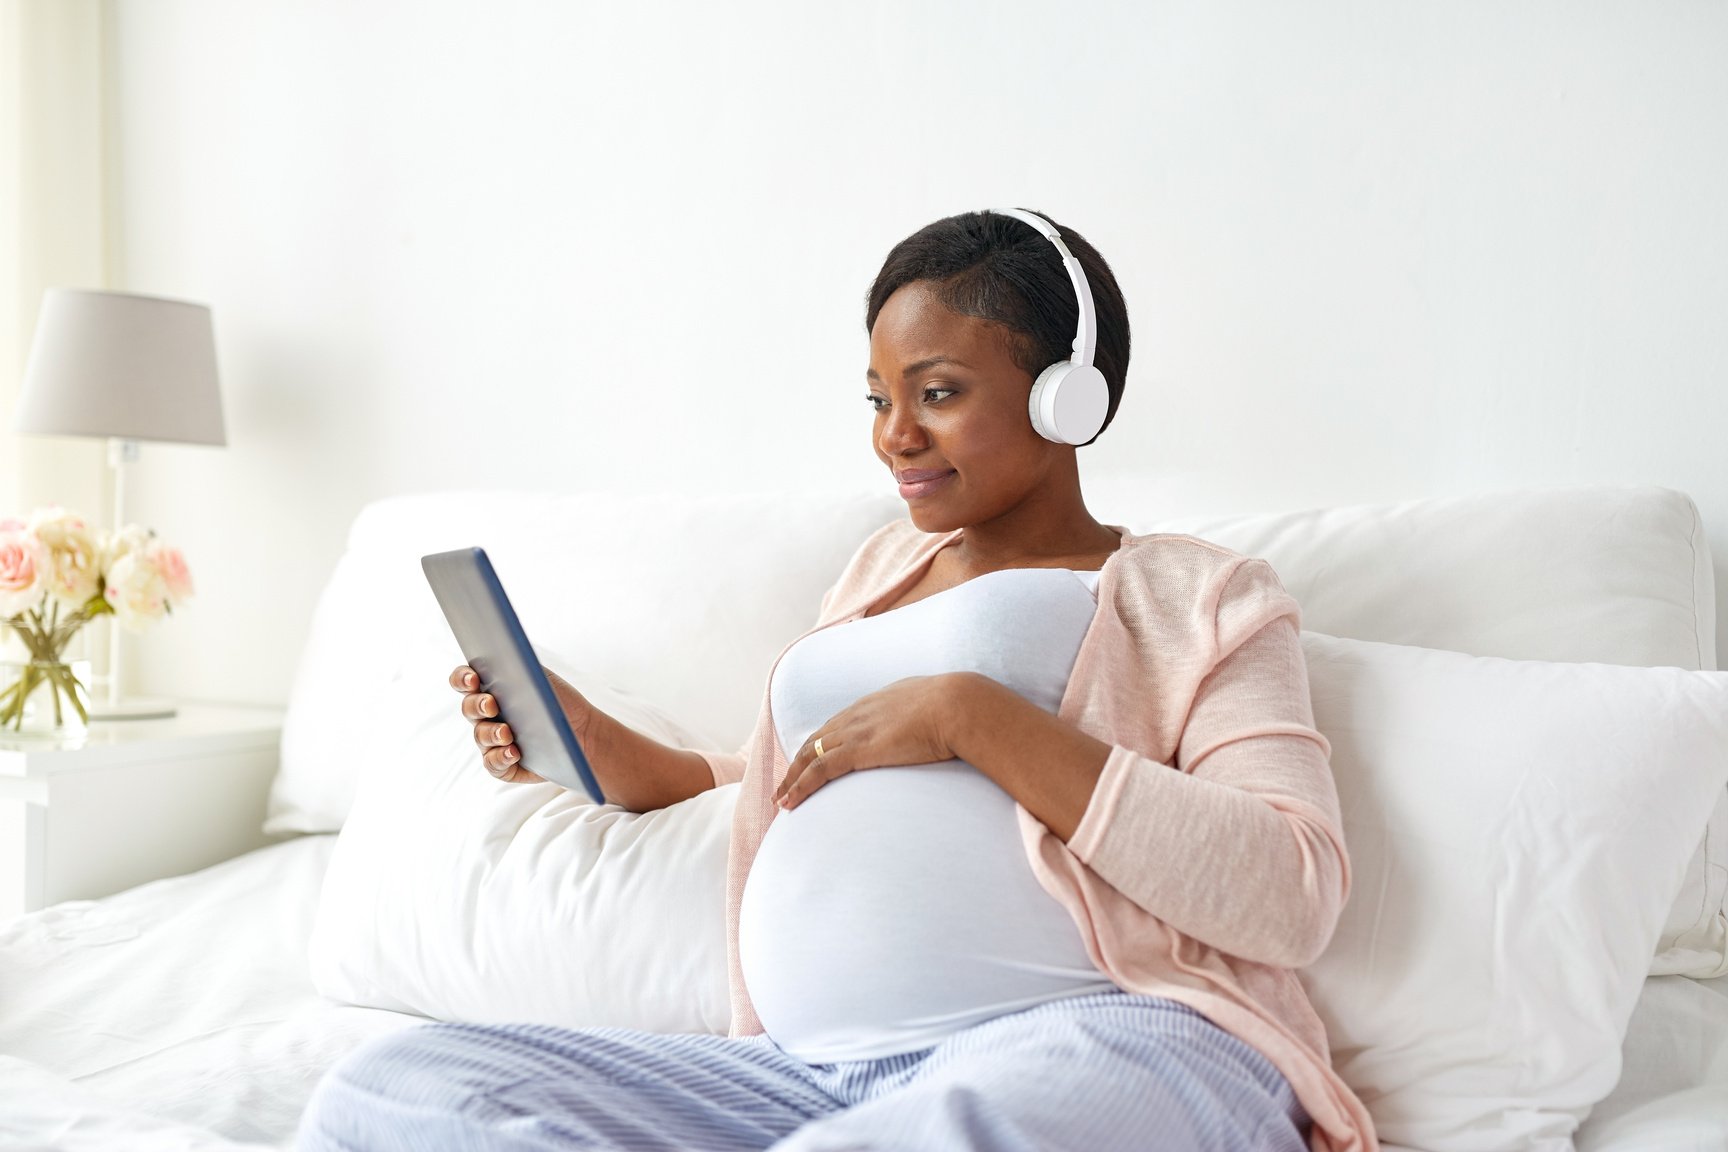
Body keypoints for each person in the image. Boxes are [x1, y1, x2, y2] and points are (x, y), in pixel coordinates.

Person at [298, 210, 1378, 1151]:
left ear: (1068, 399)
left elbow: (1291, 890)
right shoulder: (871, 580)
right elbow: (782, 783)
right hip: (802, 1082)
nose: (893, 437)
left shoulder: (1204, 595)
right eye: (876, 399)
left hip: (1106, 1041)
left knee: (952, 1134)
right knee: (394, 1096)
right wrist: (592, 742)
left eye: (938, 392)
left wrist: (975, 716)